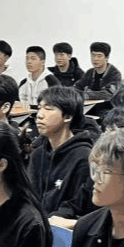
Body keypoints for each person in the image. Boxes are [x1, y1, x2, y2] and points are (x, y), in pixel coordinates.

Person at [28, 86, 95, 218]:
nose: (39, 115)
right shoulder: (38, 154)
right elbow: (29, 196)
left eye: (48, 109)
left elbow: (76, 207)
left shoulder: (84, 157)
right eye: (39, 108)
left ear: (68, 116)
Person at [74, 41, 124, 110]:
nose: (95, 59)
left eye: (99, 56)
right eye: (93, 55)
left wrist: (85, 95)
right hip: (91, 108)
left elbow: (107, 94)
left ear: (107, 57)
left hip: (110, 110)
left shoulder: (114, 74)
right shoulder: (90, 72)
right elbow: (77, 87)